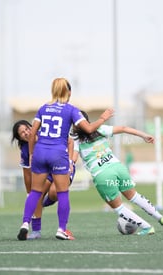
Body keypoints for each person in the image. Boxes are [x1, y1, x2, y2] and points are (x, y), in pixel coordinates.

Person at [17, 77, 113, 241]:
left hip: (40, 152)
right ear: (68, 92)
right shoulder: (71, 109)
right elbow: (88, 128)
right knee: (62, 193)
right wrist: (103, 118)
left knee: (35, 192)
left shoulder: (43, 108)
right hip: (58, 153)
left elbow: (32, 134)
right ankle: (61, 229)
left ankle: (25, 223)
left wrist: (32, 154)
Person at [72, 110, 163, 236]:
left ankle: (147, 227)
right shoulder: (100, 129)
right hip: (118, 167)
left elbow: (73, 159)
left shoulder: (75, 140)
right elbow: (123, 128)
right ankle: (160, 217)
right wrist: (144, 135)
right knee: (134, 196)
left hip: (102, 174)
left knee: (118, 207)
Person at [12, 119, 76, 240]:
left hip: (62, 165)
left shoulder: (46, 134)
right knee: (37, 194)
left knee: (54, 193)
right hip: (47, 172)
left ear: (32, 127)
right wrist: (29, 194)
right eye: (22, 133)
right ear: (19, 138)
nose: (26, 133)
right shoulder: (25, 151)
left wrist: (71, 161)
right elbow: (27, 174)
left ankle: (60, 225)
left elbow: (70, 142)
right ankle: (36, 231)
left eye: (26, 129)